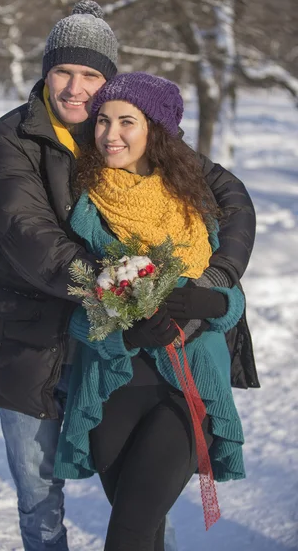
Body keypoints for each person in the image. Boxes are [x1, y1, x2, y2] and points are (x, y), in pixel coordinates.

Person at [0, 0, 258, 551]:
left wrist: (213, 281)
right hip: (33, 342)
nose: (76, 88)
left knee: (142, 505)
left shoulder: (125, 125)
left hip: (118, 354)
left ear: (109, 80)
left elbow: (231, 197)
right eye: (63, 70)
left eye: (91, 74)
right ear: (45, 72)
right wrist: (126, 290)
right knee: (39, 498)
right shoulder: (11, 138)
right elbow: (31, 236)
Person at [53, 72, 259, 551]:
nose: (110, 134)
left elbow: (231, 300)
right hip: (110, 389)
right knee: (143, 531)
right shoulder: (85, 207)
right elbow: (76, 310)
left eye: (127, 122)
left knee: (127, 529)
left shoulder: (195, 202)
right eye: (102, 121)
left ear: (156, 131)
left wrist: (214, 300)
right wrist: (125, 336)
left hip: (186, 391)